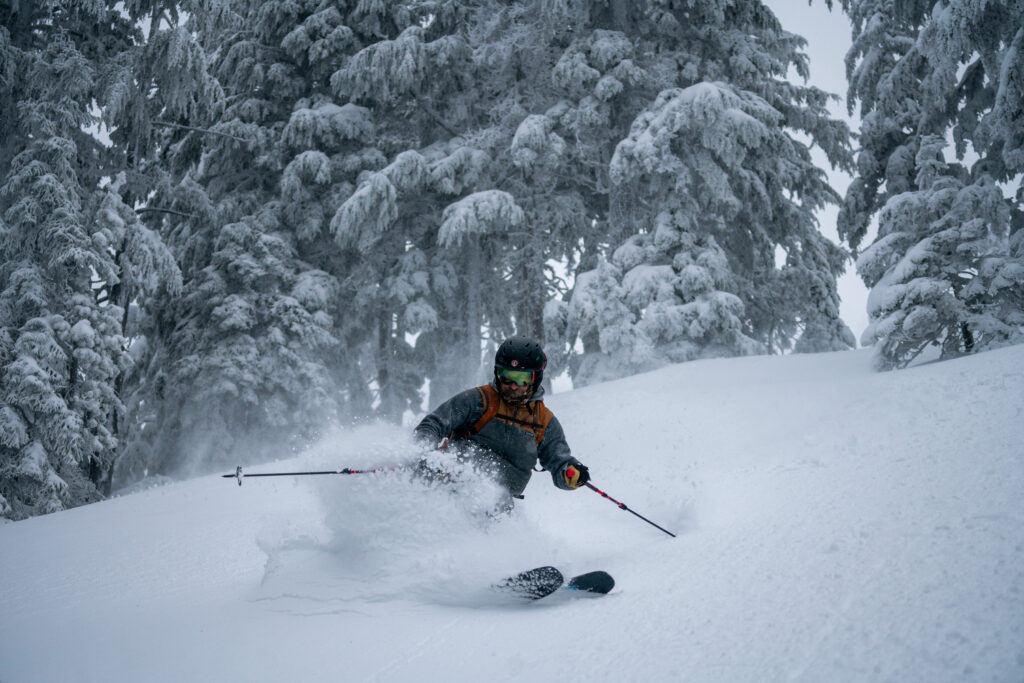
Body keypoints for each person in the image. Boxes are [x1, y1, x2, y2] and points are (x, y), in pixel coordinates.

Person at [413, 336, 590, 509]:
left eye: (522, 379)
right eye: (507, 377)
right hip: (452, 483)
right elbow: (432, 425)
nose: (513, 385)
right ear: (498, 373)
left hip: (499, 504)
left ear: (535, 379)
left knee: (497, 506)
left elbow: (559, 462)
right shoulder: (478, 401)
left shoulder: (543, 422)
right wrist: (424, 452)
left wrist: (569, 473)